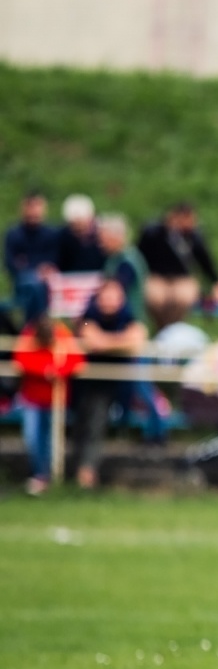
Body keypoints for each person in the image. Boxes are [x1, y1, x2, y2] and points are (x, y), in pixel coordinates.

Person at [72, 278, 148, 488]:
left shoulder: (129, 316)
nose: (109, 301)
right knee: (85, 424)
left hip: (118, 382)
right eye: (106, 295)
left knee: (96, 421)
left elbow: (138, 337)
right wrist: (120, 341)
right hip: (84, 383)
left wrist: (106, 341)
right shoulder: (87, 318)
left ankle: (85, 473)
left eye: (115, 296)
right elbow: (90, 338)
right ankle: (80, 472)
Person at [11, 307, 84, 495]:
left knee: (53, 440)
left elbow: (77, 362)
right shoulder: (28, 336)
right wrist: (45, 371)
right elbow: (20, 361)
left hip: (56, 400)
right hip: (32, 399)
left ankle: (51, 477)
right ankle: (39, 474)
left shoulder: (62, 336)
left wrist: (58, 371)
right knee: (33, 437)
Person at [137, 202, 218, 329]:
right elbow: (139, 256)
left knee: (182, 298)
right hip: (157, 276)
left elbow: (206, 262)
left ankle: (173, 329)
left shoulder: (194, 237)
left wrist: (217, 282)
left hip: (182, 278)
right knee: (156, 298)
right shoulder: (153, 233)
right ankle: (163, 329)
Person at [4, 190, 59, 323]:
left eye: (37, 206)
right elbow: (11, 264)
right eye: (30, 206)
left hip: (47, 285)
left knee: (38, 286)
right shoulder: (14, 234)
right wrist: (35, 271)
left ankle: (33, 326)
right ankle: (37, 325)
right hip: (23, 285)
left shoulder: (51, 234)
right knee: (33, 284)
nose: (34, 211)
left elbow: (55, 260)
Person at [98, 215, 148, 321]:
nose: (100, 243)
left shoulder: (127, 262)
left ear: (116, 237)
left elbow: (114, 292)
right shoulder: (115, 257)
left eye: (104, 238)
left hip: (128, 318)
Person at [56, 194, 106, 273]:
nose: (79, 229)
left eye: (81, 224)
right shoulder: (62, 237)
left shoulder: (102, 237)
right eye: (74, 225)